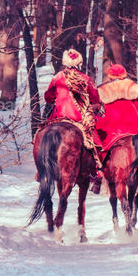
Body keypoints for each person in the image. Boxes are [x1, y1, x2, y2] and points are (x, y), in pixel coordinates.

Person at [42, 49, 105, 187]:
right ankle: (96, 172)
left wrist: (55, 97)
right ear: (79, 63)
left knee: (41, 135)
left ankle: (40, 170)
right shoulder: (86, 78)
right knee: (95, 142)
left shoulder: (58, 77)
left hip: (59, 116)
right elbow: (95, 99)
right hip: (79, 119)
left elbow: (48, 97)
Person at [95, 64, 138, 179]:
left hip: (113, 129)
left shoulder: (102, 90)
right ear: (124, 74)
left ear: (110, 76)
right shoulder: (132, 88)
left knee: (98, 147)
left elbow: (99, 114)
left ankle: (98, 175)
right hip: (134, 126)